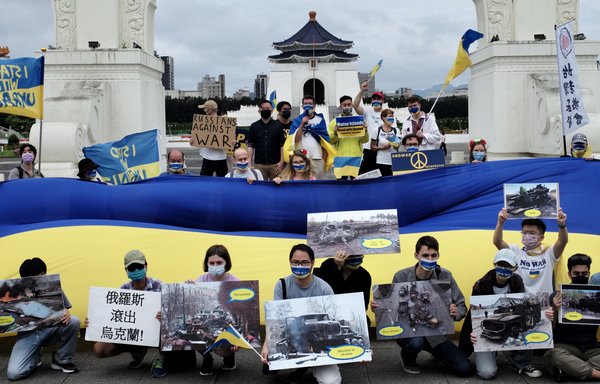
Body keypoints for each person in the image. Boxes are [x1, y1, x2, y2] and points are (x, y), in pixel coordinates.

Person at [372, 236, 471, 377]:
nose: (429, 259)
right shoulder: (401, 276)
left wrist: (456, 312)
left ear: (438, 255)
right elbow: (391, 306)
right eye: (425, 255)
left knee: (464, 369)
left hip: (436, 334)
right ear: (416, 255)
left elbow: (461, 305)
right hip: (410, 332)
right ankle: (408, 356)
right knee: (416, 343)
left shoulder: (445, 276)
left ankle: (435, 351)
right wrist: (378, 307)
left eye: (433, 255)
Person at [260, 244, 341, 384]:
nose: (300, 265)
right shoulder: (282, 285)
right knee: (270, 365)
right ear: (290, 262)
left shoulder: (325, 288)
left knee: (331, 382)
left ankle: (307, 365)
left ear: (313, 263)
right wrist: (267, 345)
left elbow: (335, 315)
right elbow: (276, 317)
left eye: (305, 262)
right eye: (295, 262)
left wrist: (360, 351)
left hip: (320, 342)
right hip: (294, 332)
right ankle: (301, 364)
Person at [87, 250, 166, 377]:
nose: (136, 270)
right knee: (99, 350)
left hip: (155, 330)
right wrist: (95, 322)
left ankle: (162, 360)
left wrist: (164, 315)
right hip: (133, 331)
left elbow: (171, 311)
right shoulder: (123, 289)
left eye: (139, 266)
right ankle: (137, 351)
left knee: (166, 330)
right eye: (131, 267)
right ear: (126, 270)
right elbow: (115, 315)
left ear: (146, 266)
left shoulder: (160, 285)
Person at [458, 248, 530, 379]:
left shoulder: (517, 281)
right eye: (500, 264)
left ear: (515, 268)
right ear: (494, 264)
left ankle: (521, 362)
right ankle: (489, 352)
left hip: (509, 324)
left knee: (530, 332)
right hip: (489, 328)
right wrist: (473, 333)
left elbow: (521, 308)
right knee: (487, 373)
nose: (503, 269)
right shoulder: (480, 285)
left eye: (508, 266)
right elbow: (474, 315)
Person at [6, 258, 80, 380]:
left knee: (74, 321)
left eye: (42, 274)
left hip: (50, 329)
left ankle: (62, 359)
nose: (41, 278)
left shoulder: (52, 287)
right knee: (14, 374)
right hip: (28, 335)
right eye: (36, 276)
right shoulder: (13, 293)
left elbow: (64, 309)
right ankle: (34, 356)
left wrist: (66, 312)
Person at [545, 253, 600, 381]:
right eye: (576, 274)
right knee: (553, 355)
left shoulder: (597, 295)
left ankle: (569, 371)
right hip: (565, 347)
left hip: (591, 347)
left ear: (589, 274)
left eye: (584, 274)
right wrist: (554, 308)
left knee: (559, 360)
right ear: (569, 274)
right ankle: (595, 373)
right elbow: (547, 329)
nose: (580, 276)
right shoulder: (556, 296)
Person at [189, 245, 239, 375]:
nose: (215, 265)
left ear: (226, 263)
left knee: (222, 350)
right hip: (207, 324)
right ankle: (206, 358)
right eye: (211, 263)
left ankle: (229, 357)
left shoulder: (235, 282)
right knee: (196, 335)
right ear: (207, 263)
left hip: (225, 325)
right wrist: (189, 289)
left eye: (219, 262)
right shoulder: (201, 279)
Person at [493, 208, 568, 294]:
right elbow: (497, 242)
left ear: (541, 237)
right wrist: (500, 222)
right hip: (521, 304)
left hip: (545, 305)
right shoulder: (515, 252)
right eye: (524, 233)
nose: (527, 236)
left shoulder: (549, 253)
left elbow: (562, 241)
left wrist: (562, 225)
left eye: (532, 233)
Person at [313, 251, 372, 325]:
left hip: (350, 314)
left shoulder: (364, 275)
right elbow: (323, 294)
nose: (355, 256)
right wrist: (337, 266)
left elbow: (363, 306)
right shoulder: (328, 265)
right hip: (327, 312)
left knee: (366, 321)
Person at [288, 95, 335, 179]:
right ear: (302, 106)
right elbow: (295, 140)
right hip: (301, 160)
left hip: (317, 159)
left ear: (314, 106)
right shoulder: (297, 120)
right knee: (302, 185)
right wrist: (302, 124)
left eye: (310, 103)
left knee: (316, 186)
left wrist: (323, 161)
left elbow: (324, 141)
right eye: (305, 103)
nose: (308, 105)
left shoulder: (320, 120)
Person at [327, 95, 369, 179]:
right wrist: (335, 133)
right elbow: (330, 141)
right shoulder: (333, 122)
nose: (347, 107)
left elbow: (365, 140)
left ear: (352, 106)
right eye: (344, 105)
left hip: (356, 157)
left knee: (357, 184)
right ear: (340, 106)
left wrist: (365, 130)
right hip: (341, 158)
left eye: (349, 105)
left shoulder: (359, 121)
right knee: (342, 185)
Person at [247, 99, 285, 180]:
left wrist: (282, 162)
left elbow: (282, 145)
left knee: (276, 187)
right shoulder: (254, 126)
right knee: (260, 188)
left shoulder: (278, 126)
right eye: (263, 109)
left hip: (275, 165)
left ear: (271, 110)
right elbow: (251, 145)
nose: (266, 110)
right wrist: (249, 163)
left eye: (268, 109)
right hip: (259, 165)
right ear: (259, 111)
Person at [354, 82, 387, 175]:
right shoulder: (367, 112)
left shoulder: (388, 114)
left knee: (382, 174)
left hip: (382, 149)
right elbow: (355, 106)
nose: (376, 100)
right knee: (365, 174)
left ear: (383, 101)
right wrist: (362, 91)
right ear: (371, 101)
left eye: (379, 99)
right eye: (374, 99)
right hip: (368, 148)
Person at [198, 100, 228, 177]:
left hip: (219, 158)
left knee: (219, 184)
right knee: (206, 183)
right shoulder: (202, 123)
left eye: (205, 108)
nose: (204, 110)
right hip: (209, 157)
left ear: (209, 109)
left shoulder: (224, 122)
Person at [371, 109, 399, 177]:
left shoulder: (396, 130)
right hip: (381, 161)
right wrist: (382, 148)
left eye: (393, 116)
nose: (392, 118)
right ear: (383, 118)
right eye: (390, 116)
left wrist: (392, 143)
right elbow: (372, 147)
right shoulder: (377, 130)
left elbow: (397, 145)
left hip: (394, 161)